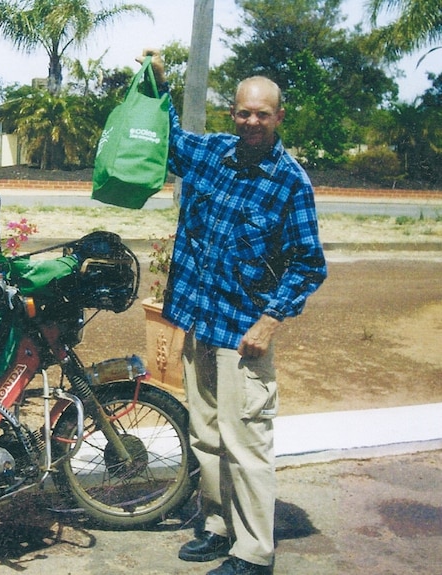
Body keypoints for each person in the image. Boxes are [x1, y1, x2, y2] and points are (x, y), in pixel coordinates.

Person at [141, 50, 327, 575]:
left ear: (278, 117)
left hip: (244, 336)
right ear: (233, 113)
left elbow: (308, 264)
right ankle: (219, 526)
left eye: (261, 114)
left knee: (247, 445)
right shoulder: (212, 155)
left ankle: (254, 552)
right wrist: (159, 83)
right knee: (206, 436)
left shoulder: (290, 182)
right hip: (200, 322)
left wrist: (269, 322)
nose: (251, 122)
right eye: (243, 112)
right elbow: (170, 139)